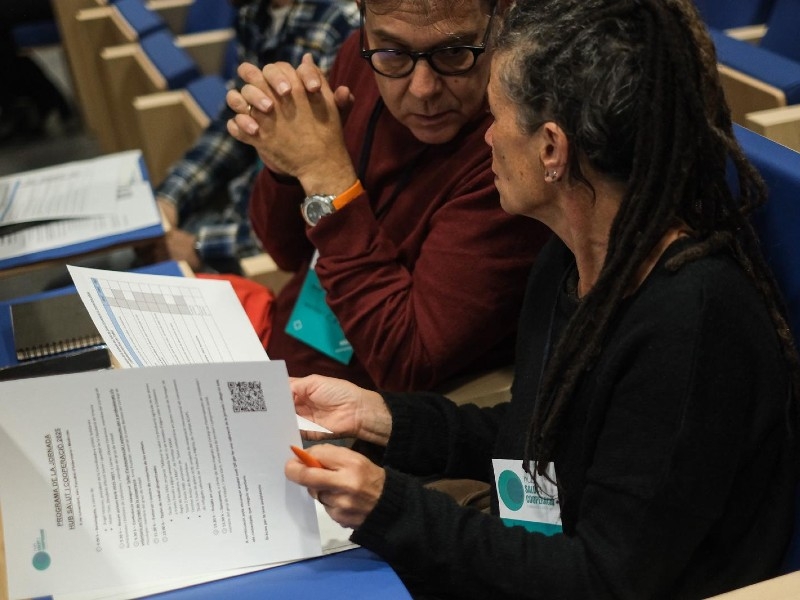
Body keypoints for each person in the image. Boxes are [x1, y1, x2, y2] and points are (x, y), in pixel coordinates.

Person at [281, 0, 800, 597]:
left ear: (552, 148)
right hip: (535, 550)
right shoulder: (572, 256)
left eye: (496, 117)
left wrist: (387, 505)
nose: (487, 137)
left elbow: (601, 579)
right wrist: (382, 417)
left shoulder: (691, 323)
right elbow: (536, 444)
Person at [226, 0, 549, 391]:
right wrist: (285, 159)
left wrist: (325, 174)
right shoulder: (361, 56)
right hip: (282, 356)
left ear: (502, 15)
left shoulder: (514, 151)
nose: (423, 89)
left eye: (453, 52)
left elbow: (408, 360)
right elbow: (287, 253)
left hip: (362, 417)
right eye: (394, 53)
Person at [148, 0, 359, 273]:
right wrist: (171, 198)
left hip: (275, 254)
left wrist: (200, 246)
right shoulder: (253, 13)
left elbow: (313, 199)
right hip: (243, 213)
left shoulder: (337, 26)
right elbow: (233, 129)